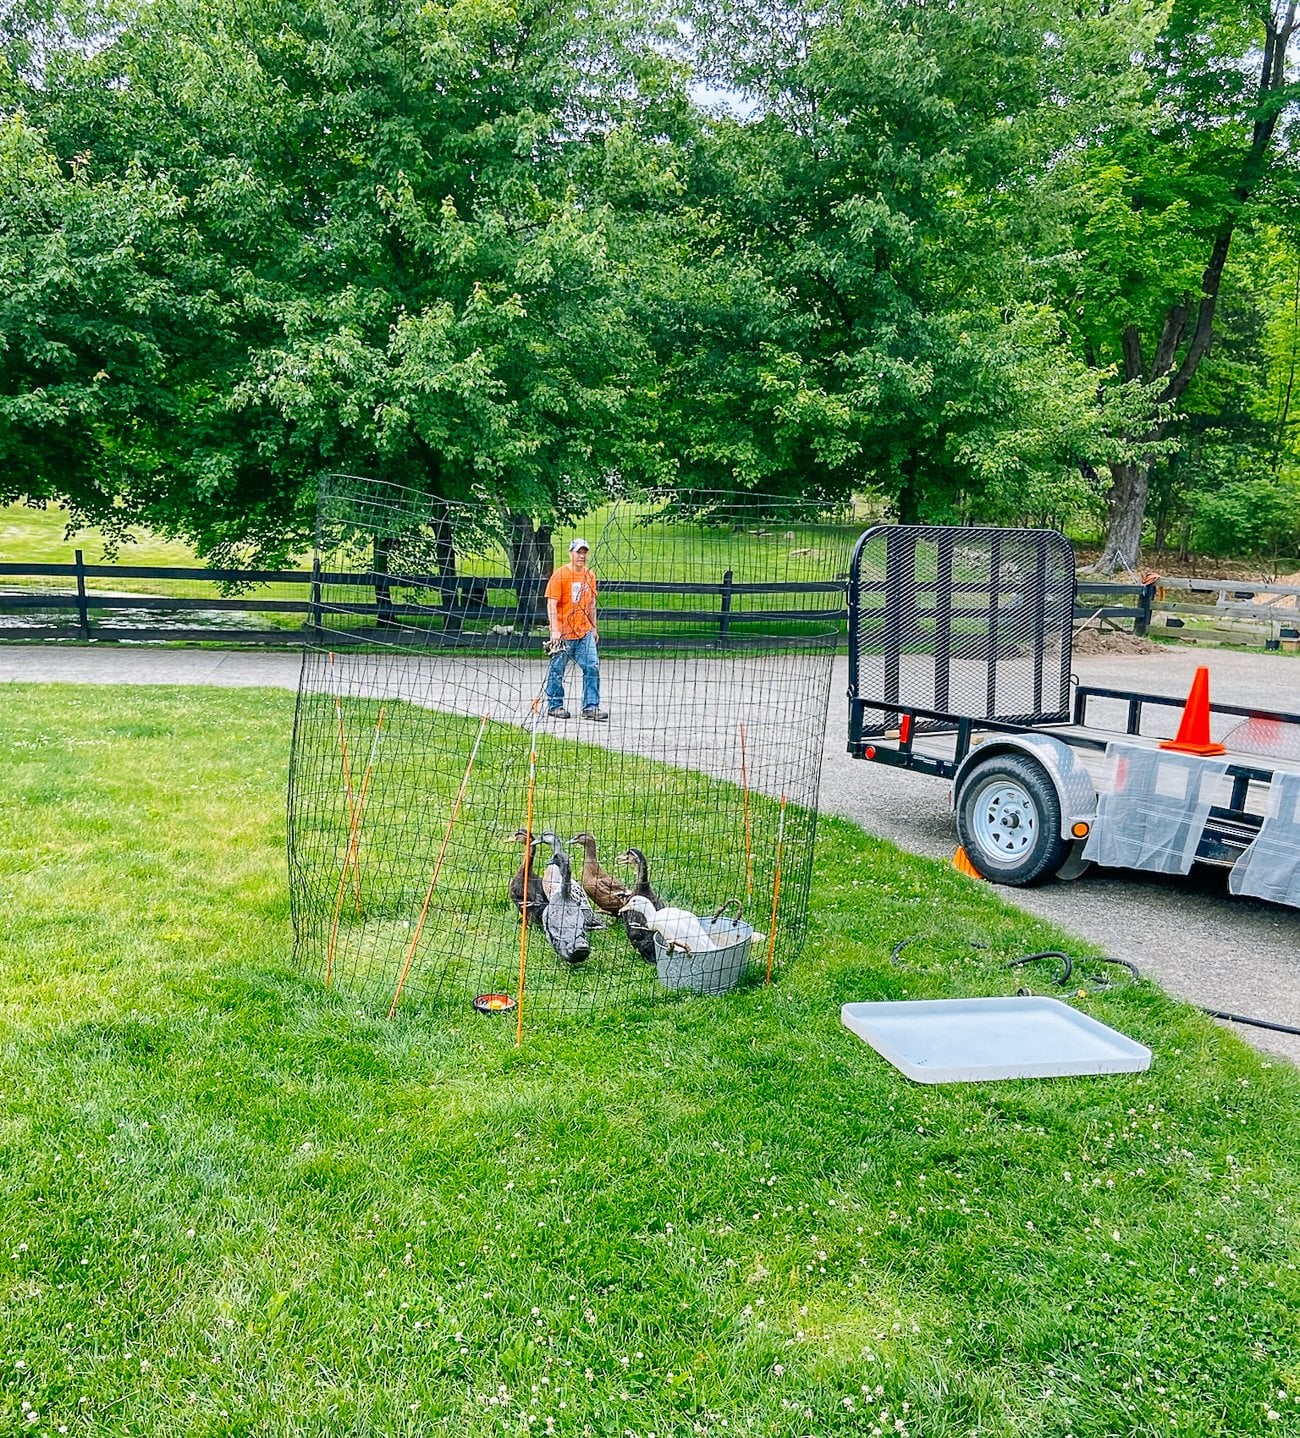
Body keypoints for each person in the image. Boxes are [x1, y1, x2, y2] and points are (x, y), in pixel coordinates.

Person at [544, 538, 608, 721]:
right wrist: (555, 630)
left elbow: (592, 604)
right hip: (563, 632)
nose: (582, 556)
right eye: (578, 552)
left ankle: (591, 707)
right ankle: (555, 705)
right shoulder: (560, 575)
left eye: (584, 552)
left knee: (592, 665)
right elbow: (551, 604)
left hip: (584, 630)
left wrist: (594, 627)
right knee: (557, 669)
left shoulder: (590, 576)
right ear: (570, 553)